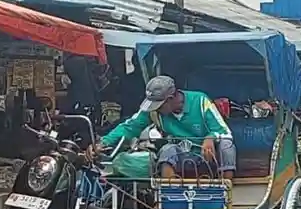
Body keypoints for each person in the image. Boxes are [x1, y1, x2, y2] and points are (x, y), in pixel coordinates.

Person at [100, 75, 236, 179]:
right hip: (182, 155)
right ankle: (171, 198)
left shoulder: (200, 101)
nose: (156, 109)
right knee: (167, 149)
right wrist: (103, 142)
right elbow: (130, 126)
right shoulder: (153, 112)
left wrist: (210, 137)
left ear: (171, 98)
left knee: (227, 146)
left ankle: (225, 194)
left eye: (159, 105)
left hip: (208, 155)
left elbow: (225, 132)